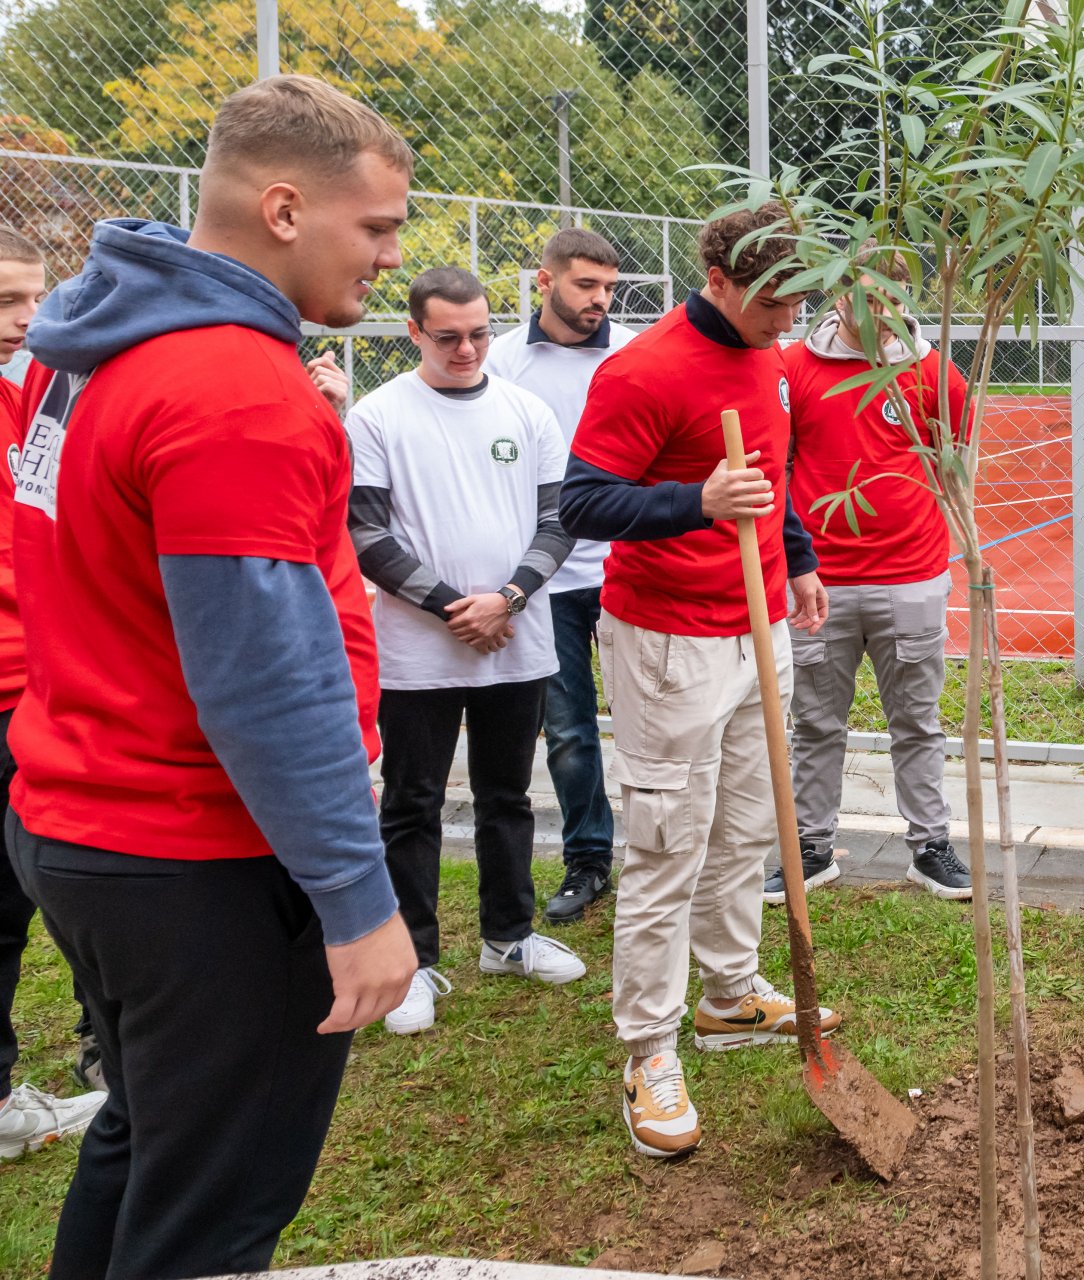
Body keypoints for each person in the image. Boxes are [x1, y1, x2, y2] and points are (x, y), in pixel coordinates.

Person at [5, 75, 416, 1277]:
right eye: (378, 226)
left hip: (82, 819)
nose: (393, 255)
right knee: (212, 1217)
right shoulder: (232, 390)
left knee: (145, 1143)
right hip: (200, 860)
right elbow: (261, 678)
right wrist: (354, 895)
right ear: (283, 208)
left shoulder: (88, 344)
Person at [561, 201, 837, 1160]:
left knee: (749, 825)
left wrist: (794, 551)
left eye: (799, 307)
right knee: (668, 841)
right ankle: (649, 1048)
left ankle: (728, 996)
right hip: (669, 640)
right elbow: (585, 500)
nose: (790, 327)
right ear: (719, 283)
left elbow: (776, 472)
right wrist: (697, 501)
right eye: (774, 310)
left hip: (758, 623)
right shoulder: (641, 371)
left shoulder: (768, 355)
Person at [347, 267, 587, 1037]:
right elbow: (367, 534)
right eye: (447, 337)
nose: (467, 349)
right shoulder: (378, 415)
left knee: (508, 796)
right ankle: (415, 961)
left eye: (480, 333)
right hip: (422, 650)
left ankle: (508, 938)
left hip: (516, 641)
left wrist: (507, 600)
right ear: (413, 331)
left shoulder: (528, 410)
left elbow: (559, 524)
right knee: (411, 803)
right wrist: (453, 607)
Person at [779, 240, 971, 904]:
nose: (878, 309)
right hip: (816, 583)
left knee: (917, 721)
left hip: (910, 575)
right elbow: (780, 466)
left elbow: (953, 467)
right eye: (864, 294)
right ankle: (809, 846)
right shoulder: (793, 367)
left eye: (891, 295)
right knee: (814, 723)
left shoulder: (936, 375)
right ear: (839, 294)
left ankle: (930, 846)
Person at [484, 228, 636, 922]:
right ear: (543, 282)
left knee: (651, 726)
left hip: (632, 568)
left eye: (608, 287)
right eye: (585, 286)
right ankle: (589, 860)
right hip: (547, 580)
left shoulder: (634, 353)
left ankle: (668, 858)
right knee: (570, 731)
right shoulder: (505, 362)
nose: (600, 300)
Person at [0, 226, 108, 1162]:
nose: (26, 320)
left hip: (49, 678)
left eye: (34, 298)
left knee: (72, 879)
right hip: (15, 680)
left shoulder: (40, 388)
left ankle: (105, 1050)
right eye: (4, 302)